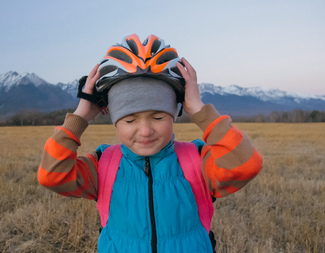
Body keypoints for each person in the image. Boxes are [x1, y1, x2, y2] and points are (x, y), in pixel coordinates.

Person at [38, 34, 263, 253]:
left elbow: (245, 165)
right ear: (114, 120)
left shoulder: (196, 159)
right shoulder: (103, 165)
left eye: (158, 117)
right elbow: (53, 176)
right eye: (129, 119)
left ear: (175, 112)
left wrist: (199, 109)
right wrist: (81, 116)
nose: (145, 130)